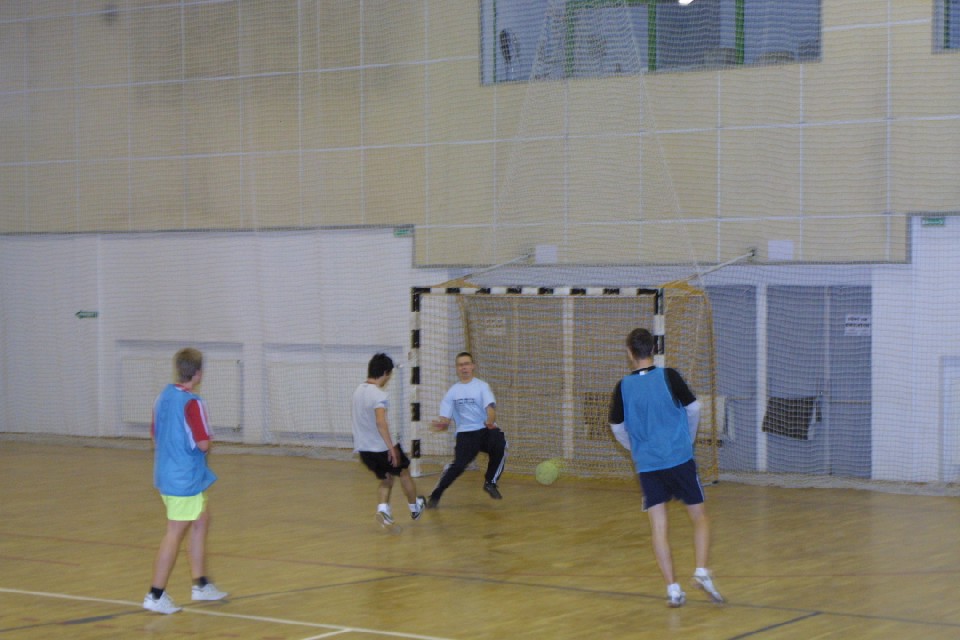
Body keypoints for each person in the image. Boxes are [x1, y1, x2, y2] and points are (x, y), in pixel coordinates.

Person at [608, 328, 723, 608]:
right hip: (679, 458)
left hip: (648, 465)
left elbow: (616, 427)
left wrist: (636, 448)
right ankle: (701, 570)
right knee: (700, 516)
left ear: (630, 353)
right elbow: (694, 409)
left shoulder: (623, 387)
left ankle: (673, 589)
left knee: (658, 527)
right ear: (653, 349)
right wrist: (687, 439)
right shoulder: (669, 376)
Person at [143, 348, 227, 615]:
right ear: (198, 373)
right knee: (174, 533)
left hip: (166, 473)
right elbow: (203, 444)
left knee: (202, 519)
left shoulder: (163, 397)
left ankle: (201, 584)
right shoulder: (193, 403)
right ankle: (156, 594)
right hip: (183, 479)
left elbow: (155, 434)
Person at [352, 353, 426, 527]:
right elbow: (380, 422)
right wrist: (391, 448)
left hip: (364, 450)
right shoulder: (379, 395)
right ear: (385, 373)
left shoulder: (357, 391)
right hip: (382, 448)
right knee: (404, 473)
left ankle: (383, 509)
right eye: (389, 375)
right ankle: (415, 508)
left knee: (387, 478)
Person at [427, 351, 507, 507]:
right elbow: (445, 418)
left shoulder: (482, 386)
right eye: (460, 365)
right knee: (458, 466)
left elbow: (490, 409)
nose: (464, 367)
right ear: (457, 368)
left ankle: (490, 482)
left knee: (500, 443)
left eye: (466, 364)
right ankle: (436, 494)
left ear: (472, 366)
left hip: (484, 429)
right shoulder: (452, 391)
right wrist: (442, 424)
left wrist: (490, 421)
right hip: (465, 434)